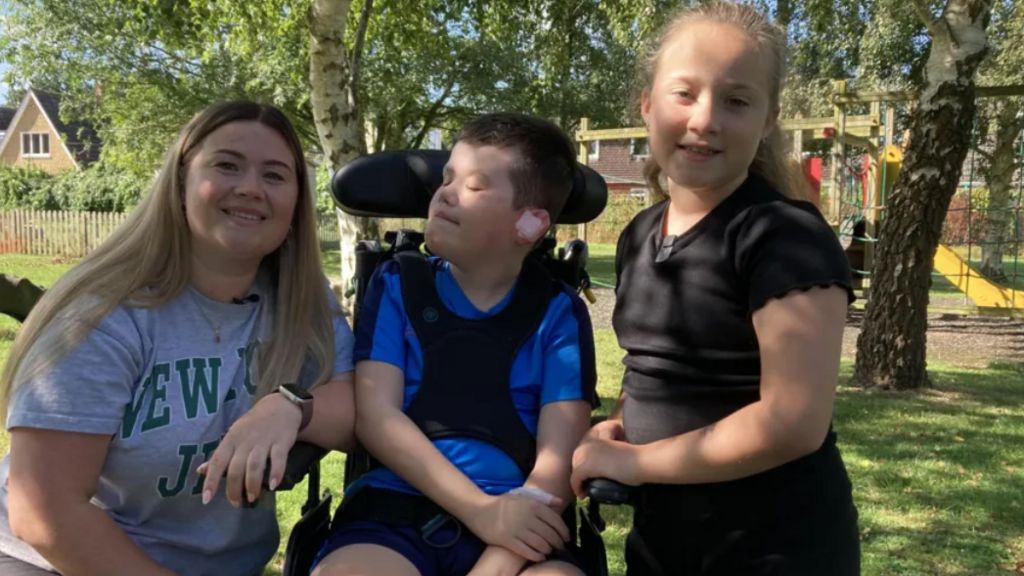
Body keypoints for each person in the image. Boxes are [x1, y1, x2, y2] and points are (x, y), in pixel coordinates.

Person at [0, 101, 357, 576]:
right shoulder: (103, 315)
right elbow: (46, 512)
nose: (250, 188)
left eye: (275, 175)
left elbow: (362, 413)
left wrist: (290, 405)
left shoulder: (302, 307)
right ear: (180, 183)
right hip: (55, 562)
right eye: (227, 165)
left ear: (295, 205)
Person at [570, 3, 860, 575]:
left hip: (774, 548)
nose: (706, 119)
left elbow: (792, 423)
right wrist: (622, 424)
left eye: (736, 100)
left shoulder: (785, 237)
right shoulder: (639, 236)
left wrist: (639, 462)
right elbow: (658, 365)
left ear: (768, 118)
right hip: (664, 543)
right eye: (685, 93)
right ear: (647, 105)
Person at [311, 112, 597, 576]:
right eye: (447, 177)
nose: (445, 192)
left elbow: (556, 459)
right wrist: (481, 512)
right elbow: (377, 418)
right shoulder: (398, 285)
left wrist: (499, 556)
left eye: (475, 185)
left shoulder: (558, 312)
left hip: (524, 520)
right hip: (394, 510)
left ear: (529, 224)